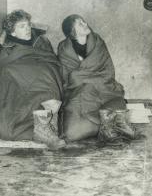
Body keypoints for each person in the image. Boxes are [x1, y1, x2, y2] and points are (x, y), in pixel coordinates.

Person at [0, 10, 65, 150]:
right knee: (13, 74)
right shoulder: (9, 47)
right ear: (12, 32)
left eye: (28, 25)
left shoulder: (40, 42)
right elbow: (6, 67)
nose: (27, 29)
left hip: (44, 79)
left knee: (47, 73)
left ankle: (45, 128)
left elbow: (51, 60)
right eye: (22, 26)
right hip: (19, 84)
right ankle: (44, 130)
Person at [57, 14, 136, 143]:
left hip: (105, 89)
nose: (85, 24)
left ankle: (108, 124)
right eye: (79, 24)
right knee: (72, 133)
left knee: (117, 103)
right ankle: (108, 124)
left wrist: (82, 77)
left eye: (83, 21)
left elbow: (108, 72)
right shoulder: (64, 49)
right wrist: (86, 79)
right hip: (80, 93)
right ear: (72, 32)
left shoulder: (98, 42)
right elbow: (69, 79)